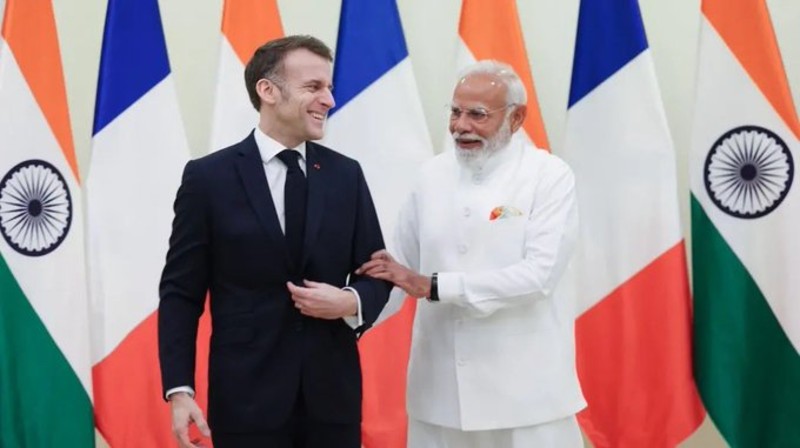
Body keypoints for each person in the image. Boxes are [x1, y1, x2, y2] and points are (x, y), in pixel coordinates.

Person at [158, 35, 391, 448]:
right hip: (245, 403)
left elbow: (377, 273)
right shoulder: (207, 179)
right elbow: (181, 292)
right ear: (267, 91)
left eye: (329, 88)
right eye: (313, 87)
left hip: (331, 401)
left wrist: (349, 301)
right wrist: (180, 389)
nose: (329, 100)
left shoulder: (346, 175)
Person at [357, 60, 586, 447]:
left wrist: (435, 286)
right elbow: (398, 272)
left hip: (526, 394)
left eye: (477, 114)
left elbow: (538, 276)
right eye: (455, 112)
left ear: (516, 118)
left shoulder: (549, 175)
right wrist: (347, 310)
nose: (461, 126)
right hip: (439, 392)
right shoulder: (430, 175)